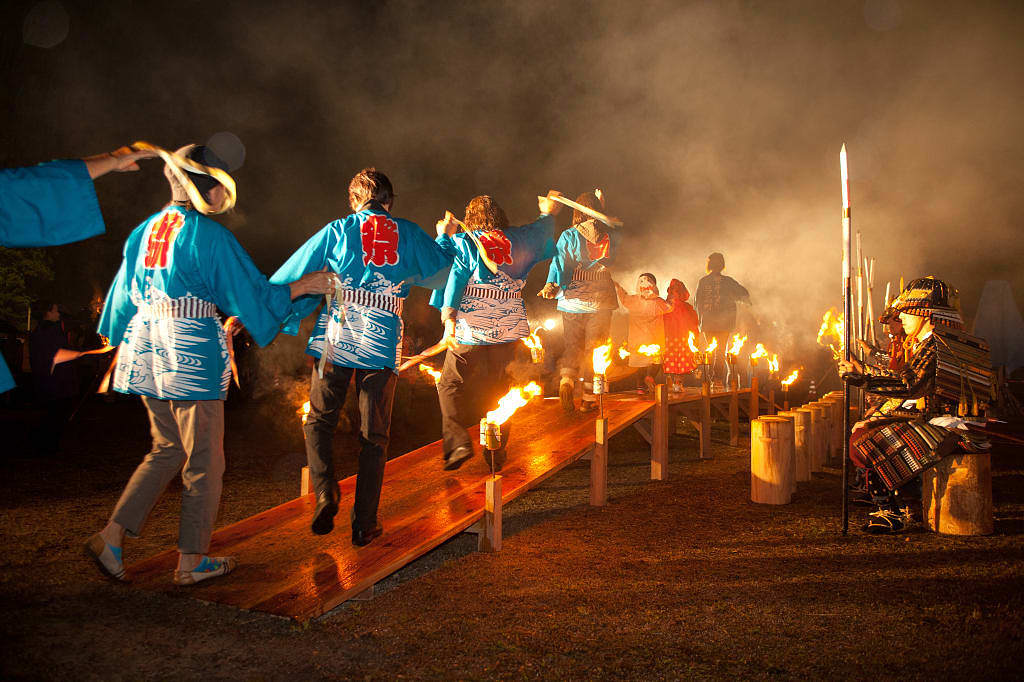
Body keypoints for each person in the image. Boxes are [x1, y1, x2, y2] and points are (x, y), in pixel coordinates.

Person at [85, 144, 334, 585]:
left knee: (166, 449)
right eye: (220, 185)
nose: (223, 196)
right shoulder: (206, 235)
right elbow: (251, 295)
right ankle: (192, 559)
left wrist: (114, 334)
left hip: (146, 351)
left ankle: (111, 537)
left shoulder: (143, 232)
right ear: (206, 186)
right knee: (204, 460)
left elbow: (121, 298)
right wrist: (302, 286)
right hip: (188, 354)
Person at [271, 168, 453, 546]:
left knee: (319, 421)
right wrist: (444, 238)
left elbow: (293, 273)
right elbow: (441, 273)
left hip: (335, 339)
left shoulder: (338, 230)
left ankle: (326, 492)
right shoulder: (408, 231)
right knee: (375, 436)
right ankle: (365, 523)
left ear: (354, 201)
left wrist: (260, 308)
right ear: (389, 201)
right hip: (381, 343)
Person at [0, 145, 156, 394]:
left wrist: (112, 160)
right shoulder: (44, 333)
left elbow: (19, 192)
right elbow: (22, 193)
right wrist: (112, 160)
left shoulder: (58, 328)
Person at [839, 276, 990, 534]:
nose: (902, 317)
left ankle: (896, 510)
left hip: (957, 430)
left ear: (926, 313)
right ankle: (902, 506)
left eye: (907, 311)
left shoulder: (938, 344)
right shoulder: (936, 340)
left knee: (867, 439)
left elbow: (910, 384)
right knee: (867, 428)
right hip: (940, 420)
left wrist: (862, 374)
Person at [431, 193, 560, 470]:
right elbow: (541, 233)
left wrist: (445, 235)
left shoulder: (466, 241)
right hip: (509, 326)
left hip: (473, 328)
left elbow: (451, 273)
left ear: (470, 220)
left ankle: (458, 441)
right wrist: (547, 212)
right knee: (500, 387)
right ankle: (495, 452)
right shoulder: (519, 239)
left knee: (450, 383)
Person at [539, 191, 620, 412]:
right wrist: (601, 207)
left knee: (573, 346)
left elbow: (558, 264)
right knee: (594, 350)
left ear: (577, 212)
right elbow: (614, 247)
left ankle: (566, 381)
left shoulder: (569, 235)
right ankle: (588, 398)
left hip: (572, 301)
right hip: (601, 302)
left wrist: (551, 284)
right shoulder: (608, 234)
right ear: (597, 211)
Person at [28, 302, 80, 455]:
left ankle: (46, 444)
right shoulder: (52, 332)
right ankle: (48, 446)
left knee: (51, 414)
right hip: (57, 382)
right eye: (56, 311)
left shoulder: (38, 332)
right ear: (48, 313)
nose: (59, 314)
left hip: (46, 381)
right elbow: (61, 354)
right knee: (55, 416)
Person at [694, 252, 749, 386]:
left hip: (708, 323)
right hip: (724, 324)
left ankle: (713, 379)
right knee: (720, 351)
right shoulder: (728, 282)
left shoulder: (703, 281)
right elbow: (743, 294)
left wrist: (700, 319)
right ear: (722, 265)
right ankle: (717, 379)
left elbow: (697, 302)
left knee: (711, 351)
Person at [613, 273, 670, 393]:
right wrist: (673, 296)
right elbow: (670, 307)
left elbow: (623, 297)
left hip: (637, 340)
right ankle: (650, 377)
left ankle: (640, 388)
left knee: (640, 365)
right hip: (655, 340)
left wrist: (617, 286)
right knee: (657, 361)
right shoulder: (658, 302)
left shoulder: (633, 300)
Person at [661, 278, 701, 392]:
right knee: (682, 363)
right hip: (683, 339)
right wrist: (695, 337)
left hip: (669, 339)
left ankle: (670, 382)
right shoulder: (687, 307)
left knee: (669, 361)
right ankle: (678, 384)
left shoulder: (666, 306)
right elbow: (694, 323)